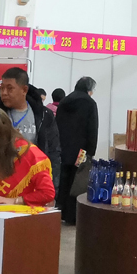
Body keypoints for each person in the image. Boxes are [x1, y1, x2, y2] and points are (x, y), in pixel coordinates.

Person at [0, 67, 60, 192]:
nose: (4, 93)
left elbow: (53, 153)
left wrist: (52, 188)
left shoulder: (43, 116)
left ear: (24, 90)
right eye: (2, 88)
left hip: (30, 189)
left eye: (10, 88)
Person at [55, 76, 98, 224]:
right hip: (81, 151)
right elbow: (92, 129)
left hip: (63, 148)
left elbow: (57, 125)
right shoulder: (90, 103)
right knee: (78, 181)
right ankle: (73, 215)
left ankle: (61, 211)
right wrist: (91, 151)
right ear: (89, 89)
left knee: (64, 180)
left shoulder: (64, 102)